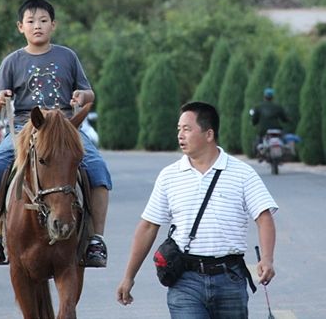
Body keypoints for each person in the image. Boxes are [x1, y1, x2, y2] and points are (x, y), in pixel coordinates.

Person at [0, 0, 112, 268]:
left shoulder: (67, 56)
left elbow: (89, 94)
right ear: (20, 27)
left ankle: (96, 239)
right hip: (24, 127)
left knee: (97, 167)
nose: (37, 26)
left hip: (64, 126)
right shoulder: (12, 61)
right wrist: (1, 97)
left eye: (43, 21)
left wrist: (81, 94)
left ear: (53, 25)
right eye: (31, 21)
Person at [117, 101, 278, 318]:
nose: (180, 135)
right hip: (185, 280)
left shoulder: (242, 173)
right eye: (179, 129)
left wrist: (267, 258)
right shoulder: (169, 176)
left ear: (209, 134)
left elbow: (264, 217)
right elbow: (148, 226)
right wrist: (129, 276)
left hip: (230, 278)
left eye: (187, 129)